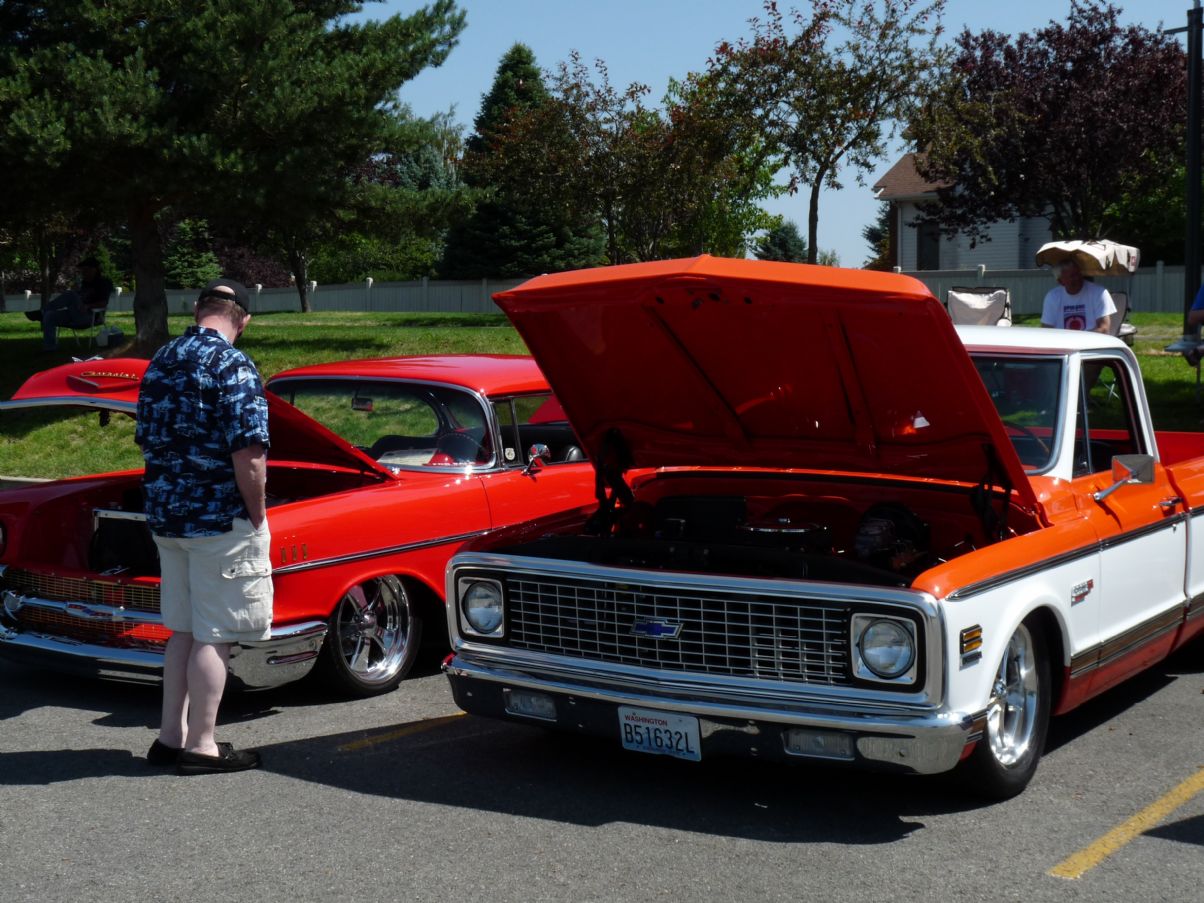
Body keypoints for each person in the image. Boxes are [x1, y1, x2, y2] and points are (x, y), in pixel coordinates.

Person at [135, 278, 272, 775]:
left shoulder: (161, 359)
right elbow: (249, 453)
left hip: (166, 515)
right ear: (243, 320)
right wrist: (257, 513)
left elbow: (145, 437)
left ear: (198, 310)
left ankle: (169, 738)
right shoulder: (233, 364)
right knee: (216, 634)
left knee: (183, 632)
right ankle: (202, 746)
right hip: (217, 518)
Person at [29, 257, 114, 350]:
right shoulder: (84, 283)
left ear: (94, 270)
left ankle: (43, 311)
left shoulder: (103, 283)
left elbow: (103, 303)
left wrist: (87, 306)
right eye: (82, 271)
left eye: (85, 270)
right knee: (49, 316)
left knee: (70, 294)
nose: (83, 273)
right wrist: (77, 293)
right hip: (76, 313)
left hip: (91, 316)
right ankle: (50, 348)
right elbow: (80, 298)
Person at [1040, 257, 1115, 333]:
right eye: (1072, 276)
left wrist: (1080, 339)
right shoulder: (1052, 297)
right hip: (1062, 340)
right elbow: (1046, 329)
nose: (1077, 278)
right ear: (1061, 281)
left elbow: (1104, 329)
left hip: (1092, 340)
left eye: (1078, 273)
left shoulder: (1099, 292)